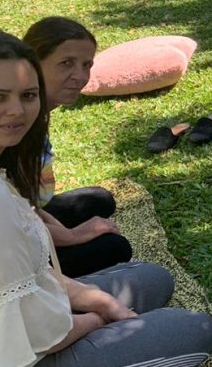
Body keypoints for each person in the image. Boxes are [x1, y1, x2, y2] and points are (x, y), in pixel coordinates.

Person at [0, 32, 212, 367]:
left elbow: (35, 275)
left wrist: (98, 300)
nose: (16, 111)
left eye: (28, 96)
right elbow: (37, 336)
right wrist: (97, 319)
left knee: (153, 277)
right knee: (192, 329)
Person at [20, 17, 132, 278]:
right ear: (33, 63)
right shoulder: (16, 121)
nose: (80, 76)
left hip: (27, 211)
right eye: (66, 63)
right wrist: (73, 236)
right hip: (11, 242)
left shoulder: (39, 111)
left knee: (99, 199)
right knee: (114, 248)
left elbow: (28, 204)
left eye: (86, 65)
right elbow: (17, 221)